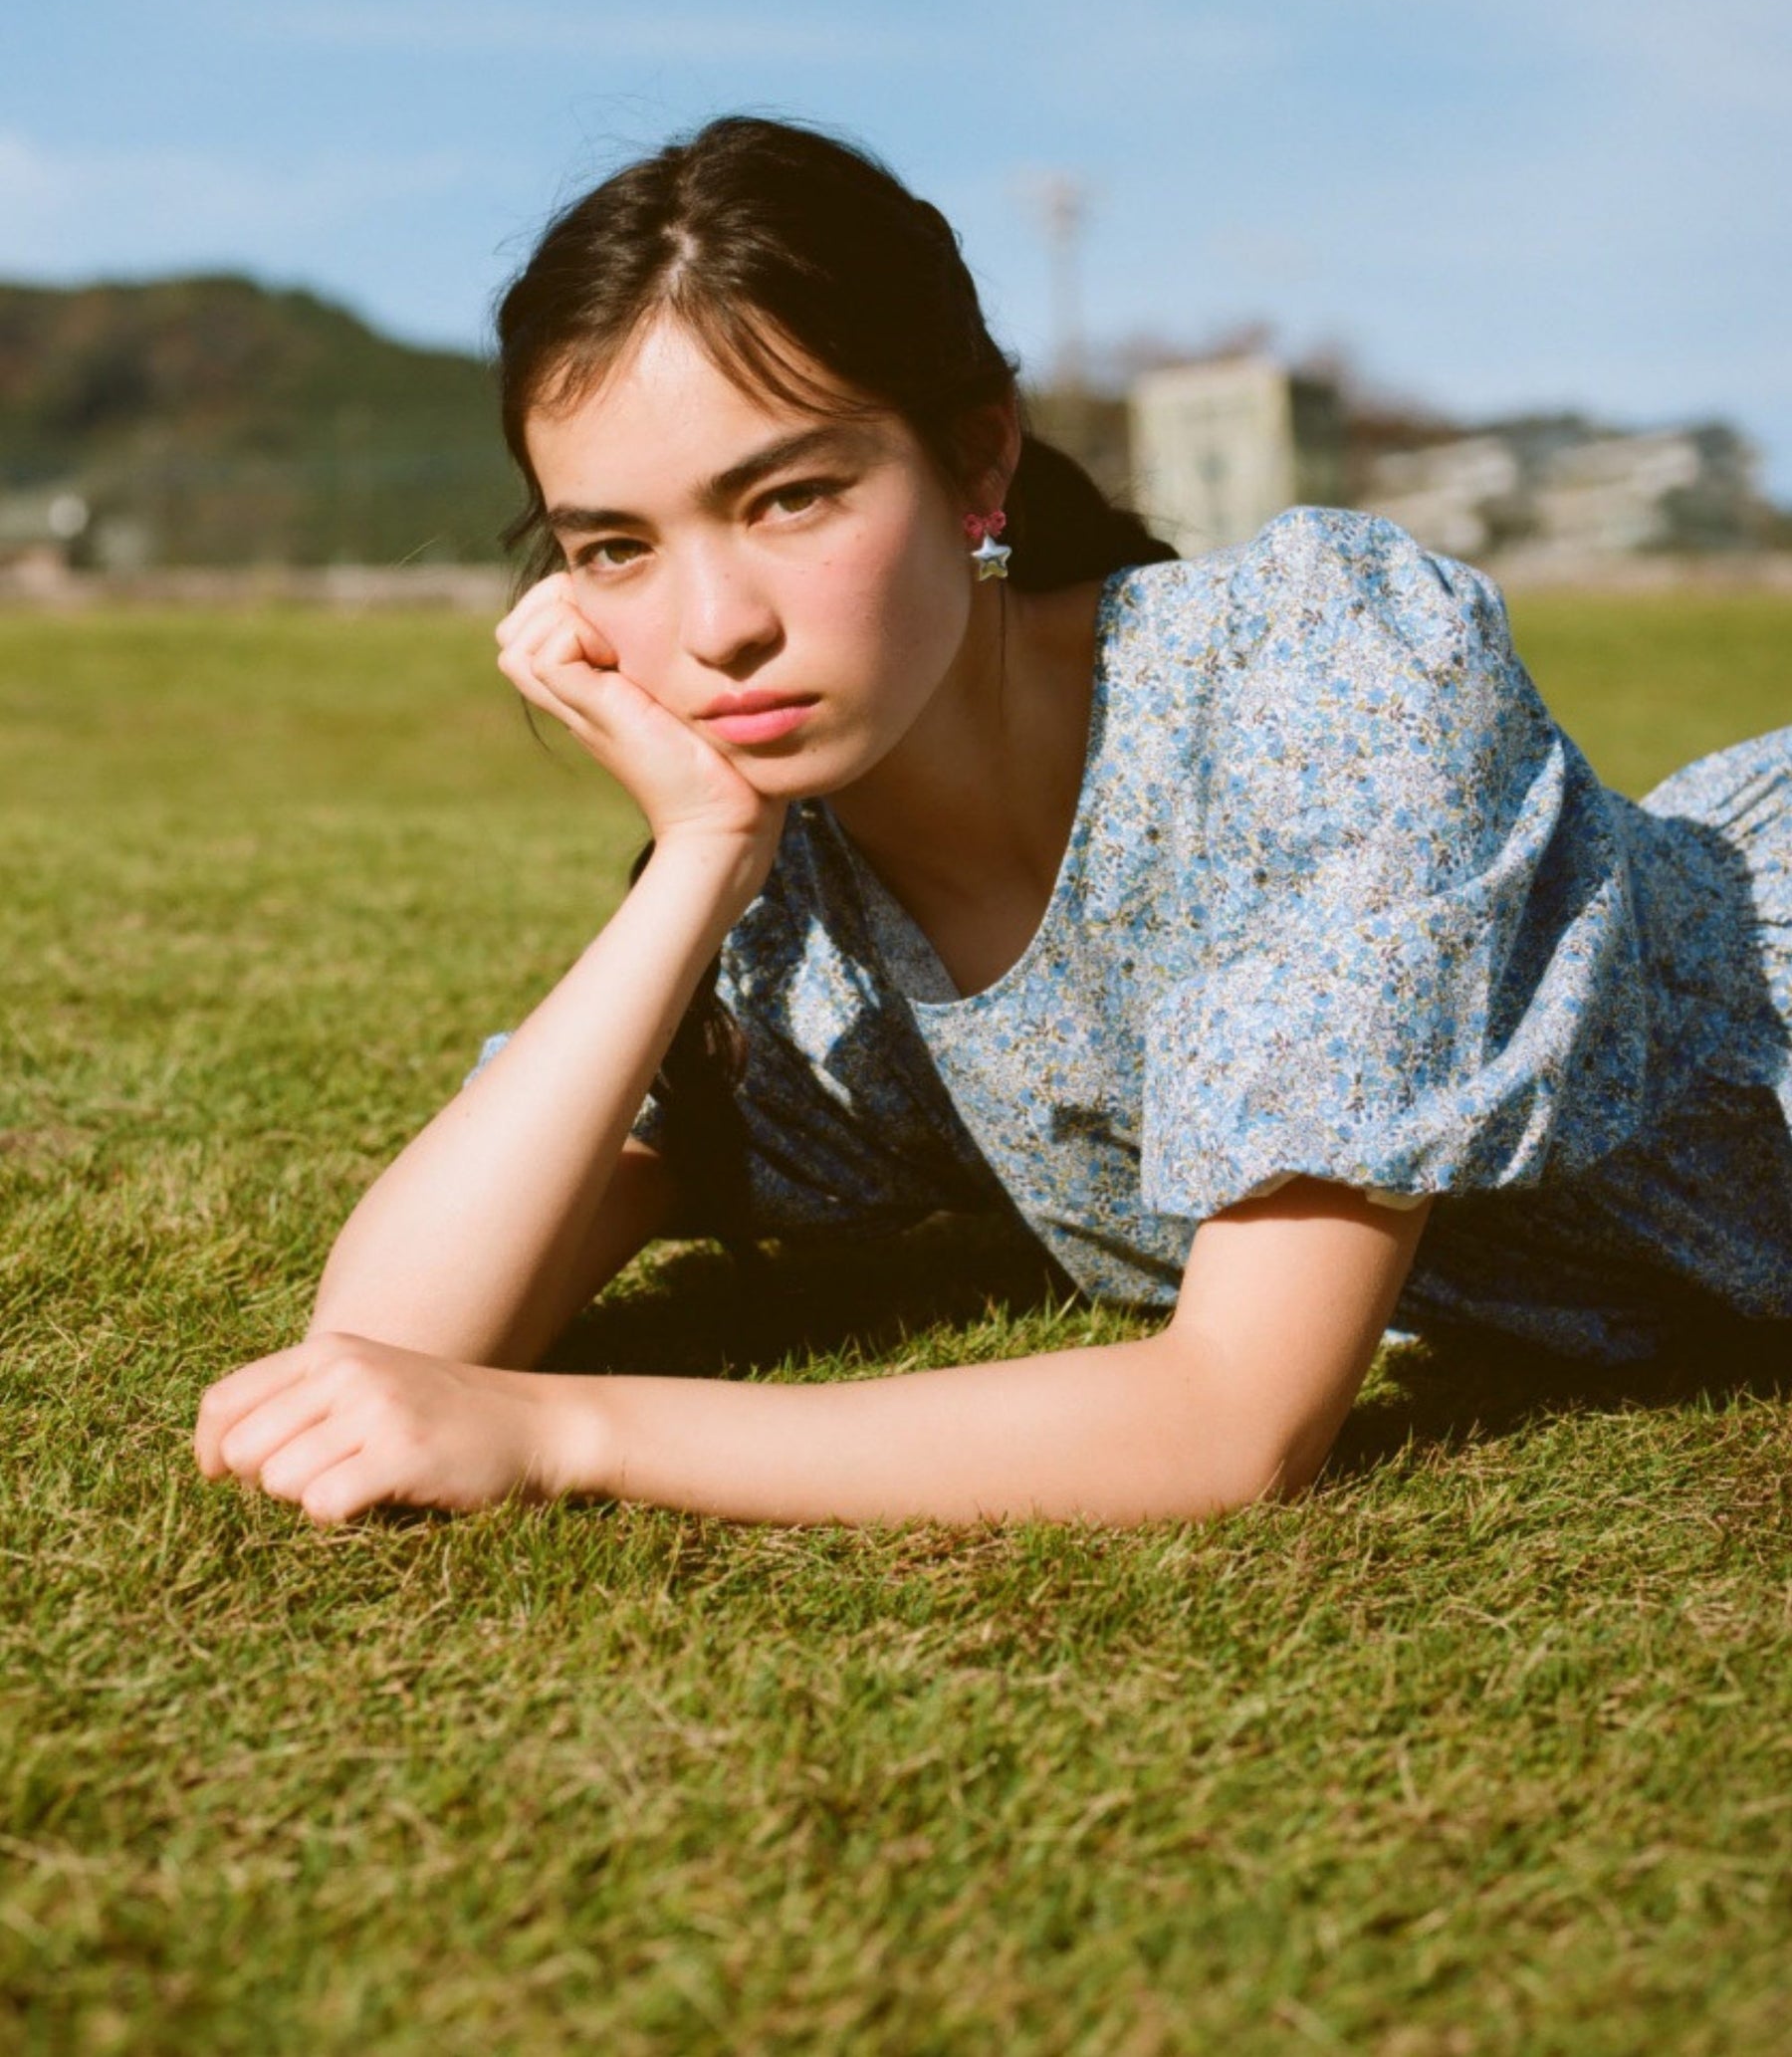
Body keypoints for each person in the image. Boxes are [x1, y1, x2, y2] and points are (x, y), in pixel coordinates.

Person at [193, 117, 1792, 1530]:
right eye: (615, 546)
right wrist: (696, 863)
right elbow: (379, 1343)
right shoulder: (807, 940)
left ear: (976, 461)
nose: (712, 627)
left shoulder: (1321, 683)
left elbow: (1235, 1419)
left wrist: (565, 1429)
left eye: (788, 497)